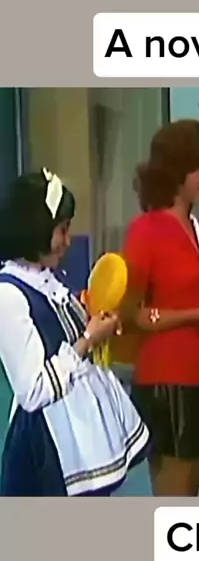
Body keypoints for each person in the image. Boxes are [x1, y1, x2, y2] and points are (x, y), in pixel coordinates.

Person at [0, 169, 150, 496]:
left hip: (80, 431)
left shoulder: (47, 278)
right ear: (35, 230)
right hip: (48, 445)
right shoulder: (9, 295)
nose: (68, 241)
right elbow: (33, 390)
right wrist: (87, 340)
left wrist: (95, 323)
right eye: (62, 230)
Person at [122, 119, 199, 497]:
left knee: (191, 499)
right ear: (177, 169)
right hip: (165, 382)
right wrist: (196, 315)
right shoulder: (146, 230)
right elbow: (131, 313)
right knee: (173, 504)